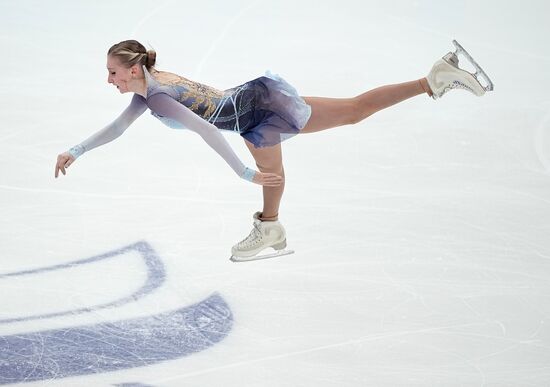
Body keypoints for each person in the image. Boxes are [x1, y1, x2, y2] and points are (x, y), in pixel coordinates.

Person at [55, 39, 493, 261]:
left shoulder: (159, 98)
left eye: (112, 72)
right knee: (355, 110)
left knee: (273, 175)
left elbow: (209, 132)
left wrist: (243, 174)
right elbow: (118, 127)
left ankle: (271, 228)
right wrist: (76, 149)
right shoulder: (151, 84)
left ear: (133, 70)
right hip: (256, 102)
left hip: (255, 117)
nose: (109, 79)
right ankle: (433, 79)